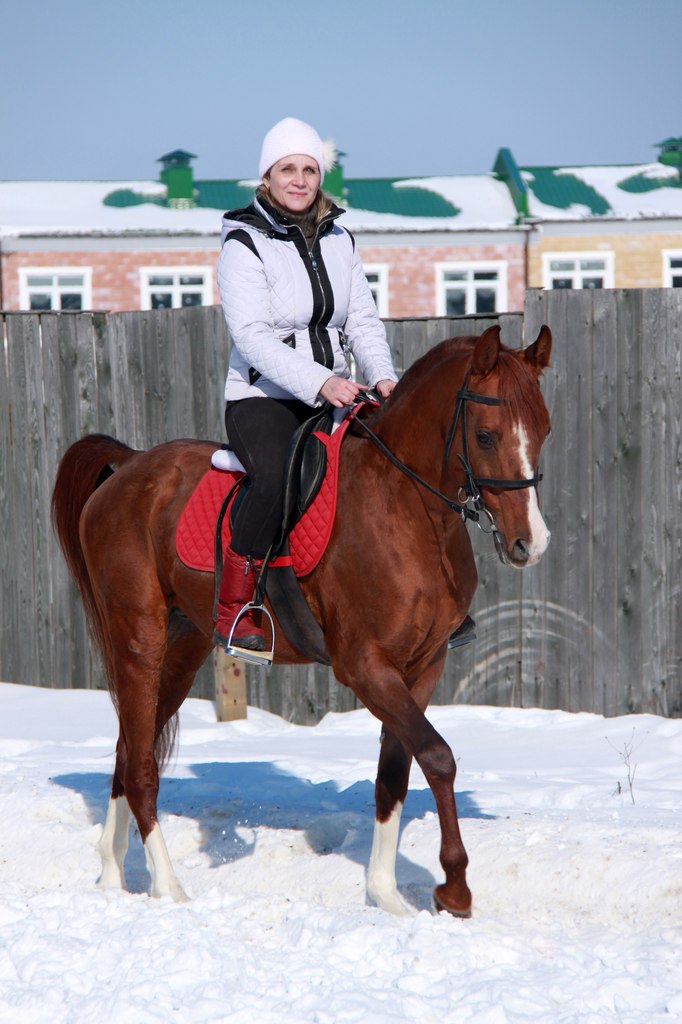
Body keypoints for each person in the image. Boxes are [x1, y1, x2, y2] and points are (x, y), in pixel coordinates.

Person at [214, 117, 399, 654]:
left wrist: (383, 376)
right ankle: (235, 605)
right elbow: (252, 338)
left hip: (338, 391)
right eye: (287, 169)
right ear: (267, 176)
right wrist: (322, 384)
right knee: (274, 475)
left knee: (395, 461)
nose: (299, 179)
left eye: (309, 169)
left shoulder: (341, 238)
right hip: (262, 398)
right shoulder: (243, 243)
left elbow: (362, 321)